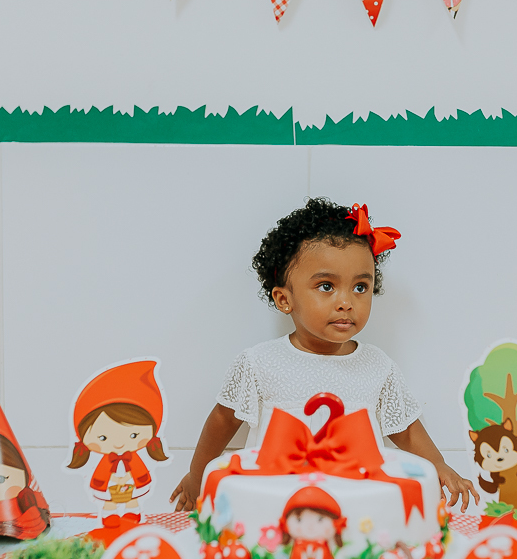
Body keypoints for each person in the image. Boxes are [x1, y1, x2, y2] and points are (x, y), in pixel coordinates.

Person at [170, 198, 478, 512]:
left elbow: (405, 428)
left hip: (356, 508)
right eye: (327, 285)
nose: (346, 302)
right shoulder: (260, 362)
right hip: (274, 507)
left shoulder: (377, 366)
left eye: (360, 287)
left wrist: (439, 464)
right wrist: (198, 477)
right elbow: (222, 420)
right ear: (284, 299)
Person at [68, 360, 170, 528]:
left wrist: (128, 477)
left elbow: (139, 470)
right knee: (109, 499)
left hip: (132, 482)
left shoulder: (134, 458)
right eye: (103, 438)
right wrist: (115, 478)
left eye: (133, 435)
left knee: (133, 497)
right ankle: (110, 514)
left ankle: (132, 511)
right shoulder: (105, 461)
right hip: (110, 482)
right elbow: (102, 473)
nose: (119, 445)